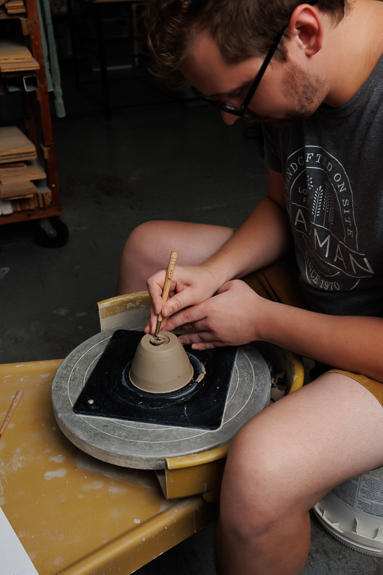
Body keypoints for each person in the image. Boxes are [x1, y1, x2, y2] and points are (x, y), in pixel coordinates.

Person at [117, 1, 383, 573]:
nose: (232, 119)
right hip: (327, 278)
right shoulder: (297, 82)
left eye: (236, 96)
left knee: (261, 469)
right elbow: (279, 204)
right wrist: (212, 276)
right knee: (148, 249)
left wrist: (263, 320)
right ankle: (160, 444)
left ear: (303, 32)